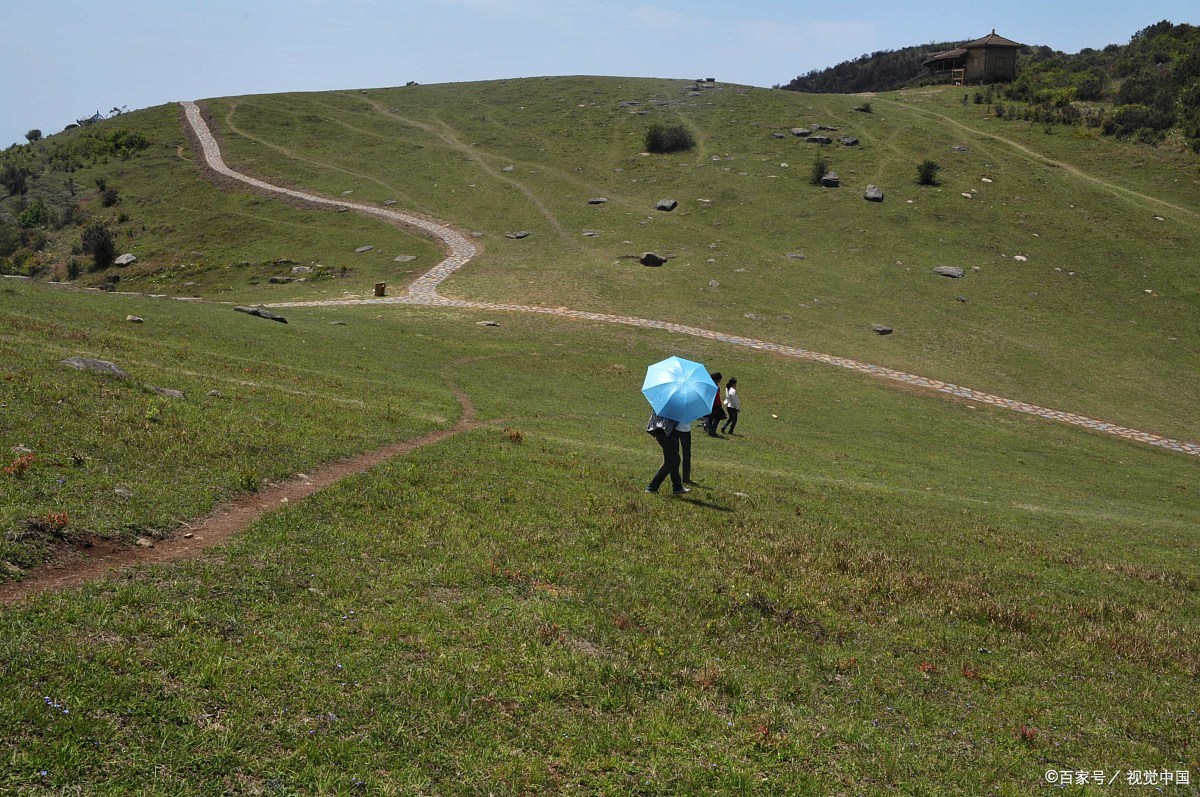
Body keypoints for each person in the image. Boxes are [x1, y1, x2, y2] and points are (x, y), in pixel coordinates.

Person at [645, 412, 689, 494]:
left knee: (676, 459)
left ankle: (677, 487)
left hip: (660, 432)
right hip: (668, 434)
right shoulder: (676, 406)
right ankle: (651, 487)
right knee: (669, 462)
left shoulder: (663, 404)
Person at [704, 372, 725, 436]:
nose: (719, 381)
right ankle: (712, 430)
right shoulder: (712, 387)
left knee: (712, 418)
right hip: (713, 405)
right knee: (715, 417)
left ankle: (711, 430)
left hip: (714, 404)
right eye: (718, 379)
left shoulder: (714, 386)